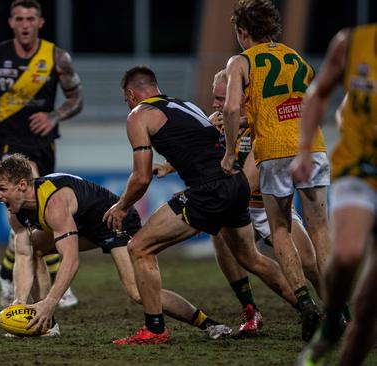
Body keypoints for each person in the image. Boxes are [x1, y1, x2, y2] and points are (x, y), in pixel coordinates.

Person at [105, 66, 298, 345]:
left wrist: (122, 206)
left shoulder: (138, 115)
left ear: (131, 95)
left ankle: (155, 330)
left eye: (127, 100)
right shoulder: (185, 105)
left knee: (139, 248)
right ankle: (308, 308)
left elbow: (141, 177)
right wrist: (171, 167)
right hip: (236, 185)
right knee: (251, 257)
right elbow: (204, 147)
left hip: (209, 191)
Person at [0, 154, 233, 340]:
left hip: (114, 222)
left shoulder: (53, 202)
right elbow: (23, 255)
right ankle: (45, 325)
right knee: (32, 248)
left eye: (2, 189)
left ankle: (209, 324)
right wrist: (19, 302)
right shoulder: (17, 212)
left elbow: (71, 260)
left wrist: (51, 300)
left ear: (22, 185)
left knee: (140, 293)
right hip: (82, 225)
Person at [221, 0, 329, 341]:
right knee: (321, 228)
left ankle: (305, 304)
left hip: (275, 150)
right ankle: (340, 308)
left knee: (279, 228)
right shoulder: (297, 58)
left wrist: (228, 152)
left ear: (243, 31)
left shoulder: (240, 61)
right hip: (313, 146)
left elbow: (232, 106)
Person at [0, 0, 83, 309]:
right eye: (19, 18)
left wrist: (55, 116)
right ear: (10, 22)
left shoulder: (56, 56)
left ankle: (6, 271)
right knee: (29, 190)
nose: (24, 24)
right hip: (8, 139)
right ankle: (54, 272)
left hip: (43, 139)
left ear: (40, 22)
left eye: (30, 18)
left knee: (37, 207)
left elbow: (76, 97)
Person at [293, 24, 377, 366]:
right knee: (346, 253)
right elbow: (317, 92)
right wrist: (302, 150)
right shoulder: (352, 43)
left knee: (369, 308)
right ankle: (330, 323)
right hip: (358, 166)